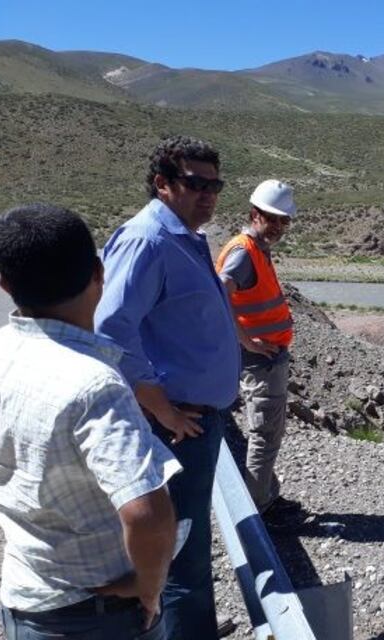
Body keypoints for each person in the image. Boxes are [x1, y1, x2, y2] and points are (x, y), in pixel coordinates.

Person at [0, 204, 180, 639]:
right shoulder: (95, 385)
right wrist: (149, 588)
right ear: (99, 273)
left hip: (26, 599)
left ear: (5, 283)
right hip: (97, 612)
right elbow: (147, 513)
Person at [95, 136, 241, 639]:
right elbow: (110, 330)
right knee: (179, 550)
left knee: (189, 544)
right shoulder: (149, 240)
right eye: (195, 183)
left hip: (193, 417)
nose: (208, 195)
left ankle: (187, 628)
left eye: (214, 185)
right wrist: (160, 406)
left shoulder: (183, 236)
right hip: (176, 422)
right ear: (162, 183)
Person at [215, 180, 298, 517]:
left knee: (269, 430)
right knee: (265, 433)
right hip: (258, 360)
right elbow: (220, 292)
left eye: (284, 220)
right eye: (272, 218)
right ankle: (260, 507)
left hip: (266, 356)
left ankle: (265, 494)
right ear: (255, 214)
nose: (278, 226)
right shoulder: (243, 252)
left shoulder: (257, 249)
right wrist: (247, 340)